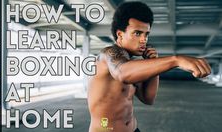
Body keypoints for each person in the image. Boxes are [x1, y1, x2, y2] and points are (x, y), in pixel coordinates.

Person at [87, 2, 211, 132]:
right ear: (120, 34)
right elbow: (122, 73)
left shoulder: (133, 65)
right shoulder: (107, 54)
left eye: (146, 34)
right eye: (137, 33)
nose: (143, 40)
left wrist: (154, 63)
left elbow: (148, 98)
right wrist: (176, 60)